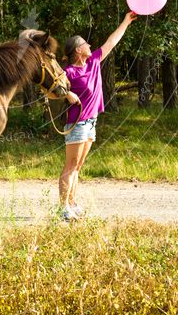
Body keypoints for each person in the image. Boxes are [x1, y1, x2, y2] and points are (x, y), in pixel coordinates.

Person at [59, 11, 138, 220]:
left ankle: (72, 203)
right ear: (78, 49)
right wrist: (68, 93)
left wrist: (126, 22)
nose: (90, 45)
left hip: (91, 121)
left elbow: (111, 42)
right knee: (70, 165)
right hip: (77, 123)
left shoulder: (93, 61)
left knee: (78, 165)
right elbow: (49, 89)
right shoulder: (68, 72)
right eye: (85, 44)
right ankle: (63, 208)